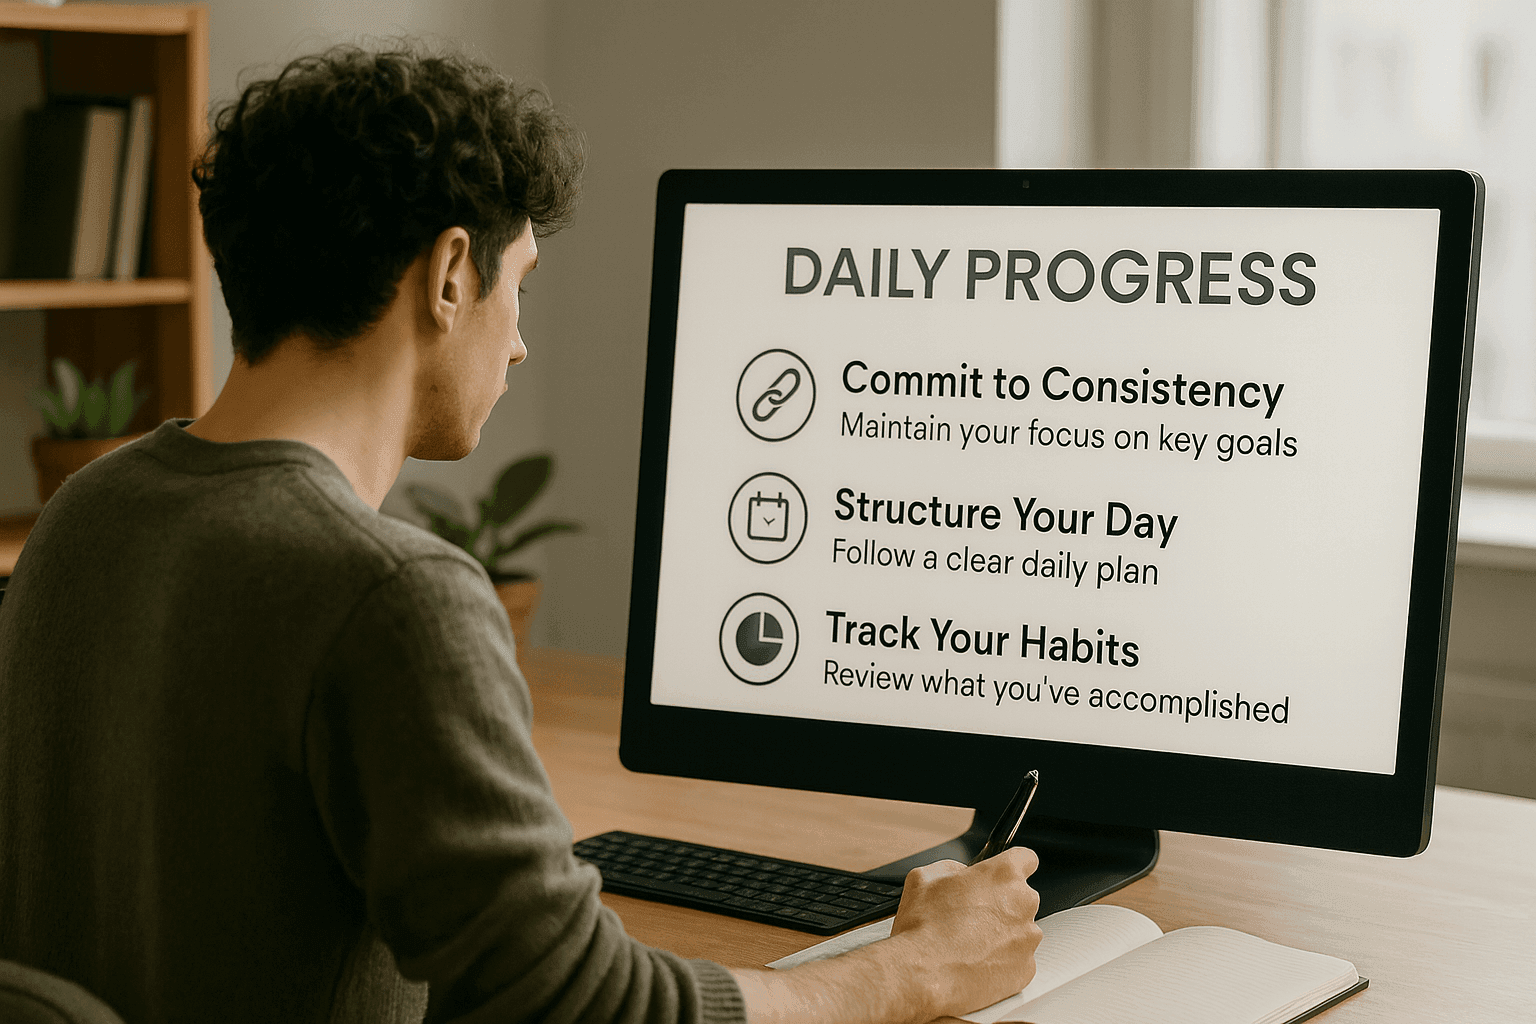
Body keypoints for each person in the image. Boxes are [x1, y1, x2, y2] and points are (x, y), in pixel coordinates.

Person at [0, 45, 1042, 1024]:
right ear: (451, 274)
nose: (524, 343)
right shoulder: (386, 593)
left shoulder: (86, 511)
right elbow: (580, 1007)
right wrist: (915, 969)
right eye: (522, 284)